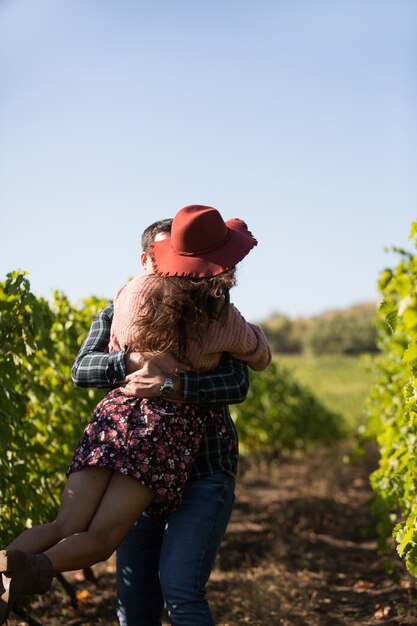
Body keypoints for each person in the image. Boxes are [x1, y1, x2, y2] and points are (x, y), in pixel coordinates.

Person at [0, 205, 271, 625]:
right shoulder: (219, 319)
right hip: (161, 436)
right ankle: (38, 569)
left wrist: (138, 362)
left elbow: (233, 386)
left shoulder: (126, 297)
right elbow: (255, 360)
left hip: (117, 423)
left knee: (64, 522)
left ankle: (13, 566)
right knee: (103, 538)